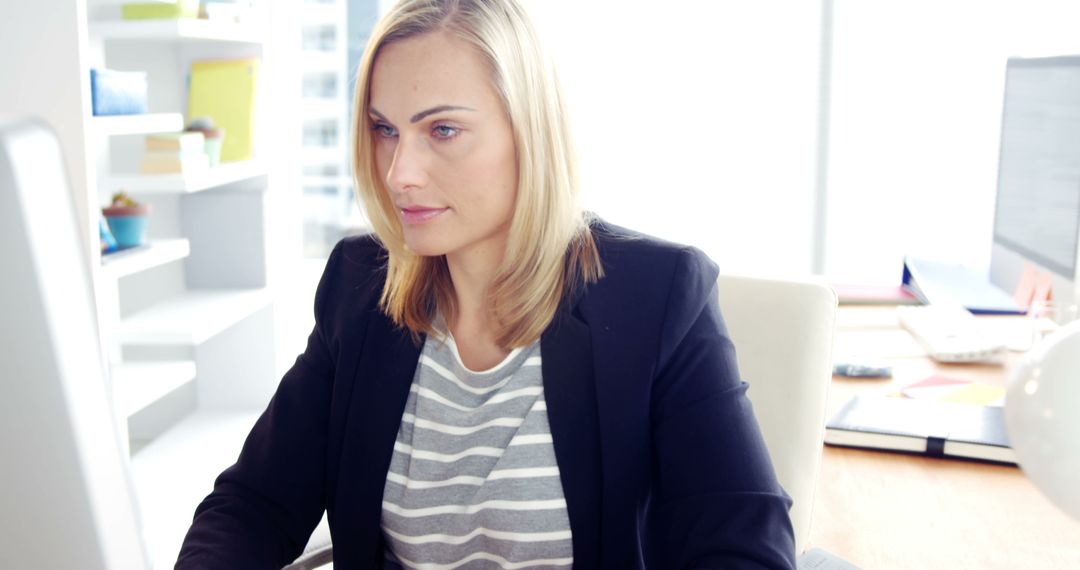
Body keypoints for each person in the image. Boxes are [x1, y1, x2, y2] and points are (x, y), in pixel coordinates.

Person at [176, 0, 796, 568]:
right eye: (385, 129)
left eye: (442, 130)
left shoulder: (657, 297)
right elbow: (253, 506)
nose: (399, 173)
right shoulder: (358, 289)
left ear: (530, 132)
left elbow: (742, 549)